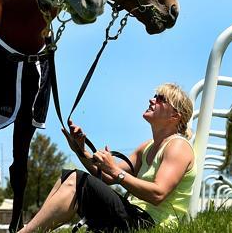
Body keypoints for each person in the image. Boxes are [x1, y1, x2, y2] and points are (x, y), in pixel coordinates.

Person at [18, 83, 195, 232]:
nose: (151, 100)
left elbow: (158, 193)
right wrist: (81, 150)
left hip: (152, 225)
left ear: (175, 115)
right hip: (135, 215)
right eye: (155, 95)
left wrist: (115, 170)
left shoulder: (178, 146)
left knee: (76, 179)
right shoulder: (147, 147)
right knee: (68, 176)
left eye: (161, 99)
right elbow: (106, 177)